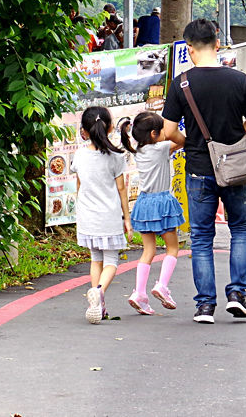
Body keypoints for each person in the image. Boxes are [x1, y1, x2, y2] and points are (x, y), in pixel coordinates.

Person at [160, 18, 246, 324]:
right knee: (241, 229)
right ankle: (237, 295)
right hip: (235, 169)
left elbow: (167, 131)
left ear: (189, 48)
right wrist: (231, 140)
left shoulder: (182, 83)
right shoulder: (239, 79)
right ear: (218, 44)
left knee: (202, 237)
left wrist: (190, 141)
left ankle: (205, 306)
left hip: (199, 170)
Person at [117, 110, 185, 314]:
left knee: (148, 251)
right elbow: (181, 141)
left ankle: (139, 293)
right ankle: (162, 285)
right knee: (172, 248)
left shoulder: (139, 150)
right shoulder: (162, 148)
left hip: (144, 203)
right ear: (154, 134)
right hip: (162, 203)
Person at [73, 106, 130, 324]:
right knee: (112, 260)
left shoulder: (79, 155)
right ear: (110, 127)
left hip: (87, 215)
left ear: (84, 131)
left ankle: (96, 304)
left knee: (96, 258)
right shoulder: (116, 157)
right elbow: (122, 189)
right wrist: (127, 218)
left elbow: (79, 187)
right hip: (109, 215)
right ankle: (98, 292)